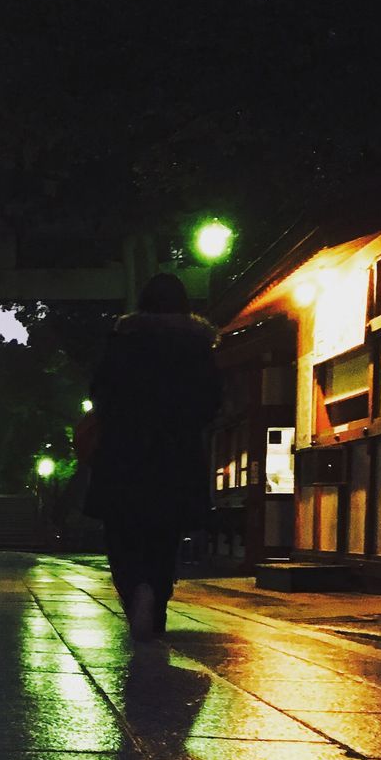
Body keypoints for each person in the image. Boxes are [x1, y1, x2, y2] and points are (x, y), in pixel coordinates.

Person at [82, 272, 221, 641]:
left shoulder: (123, 341)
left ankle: (134, 591)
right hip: (176, 456)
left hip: (123, 454)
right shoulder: (198, 347)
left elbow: (100, 391)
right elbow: (211, 403)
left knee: (123, 535)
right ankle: (155, 602)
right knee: (164, 536)